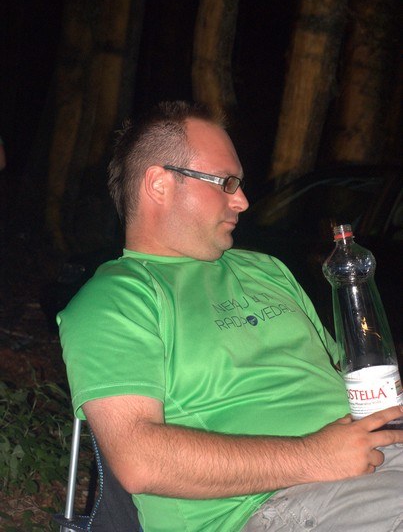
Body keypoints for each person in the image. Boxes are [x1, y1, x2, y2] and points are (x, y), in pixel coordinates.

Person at [58, 101, 403, 532]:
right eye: (225, 183)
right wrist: (314, 455)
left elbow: (346, 375)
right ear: (159, 184)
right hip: (273, 503)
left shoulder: (267, 269)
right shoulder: (117, 297)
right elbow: (138, 459)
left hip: (377, 458)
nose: (241, 200)